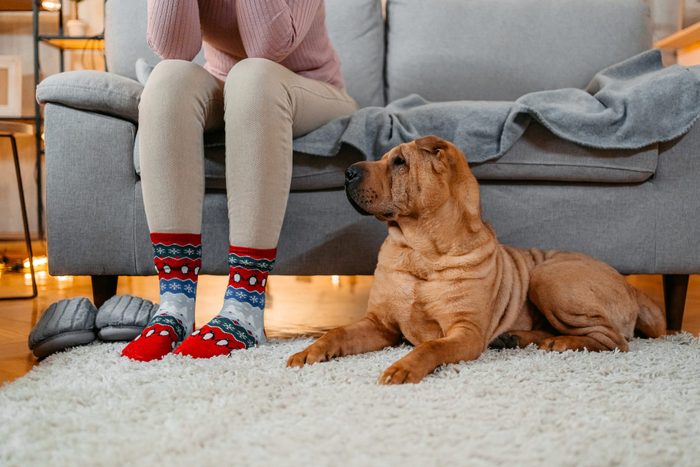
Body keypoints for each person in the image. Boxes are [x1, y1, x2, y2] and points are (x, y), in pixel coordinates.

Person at [121, 0, 357, 361]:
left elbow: (268, 47)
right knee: (168, 78)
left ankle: (245, 309)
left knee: (254, 75)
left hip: (310, 88)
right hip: (228, 83)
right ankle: (175, 307)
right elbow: (175, 49)